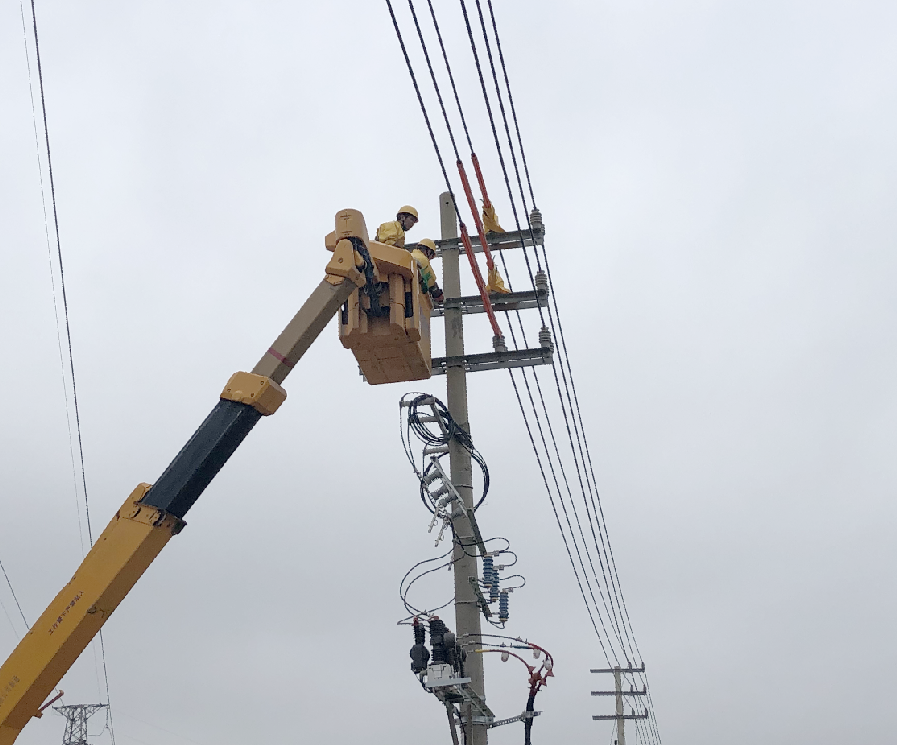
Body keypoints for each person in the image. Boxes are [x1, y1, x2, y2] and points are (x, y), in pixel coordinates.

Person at [410, 238, 444, 303]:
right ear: (428, 251)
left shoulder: (410, 255)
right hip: (413, 293)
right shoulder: (423, 259)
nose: (431, 258)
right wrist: (438, 294)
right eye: (432, 255)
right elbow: (431, 281)